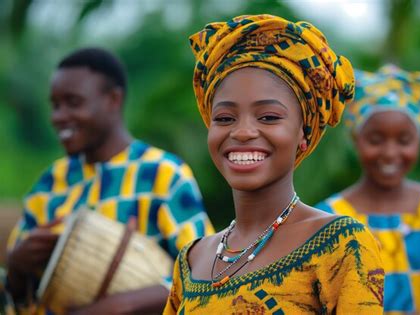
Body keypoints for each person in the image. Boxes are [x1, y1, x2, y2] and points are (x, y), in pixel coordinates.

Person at [164, 14, 385, 314]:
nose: (242, 132)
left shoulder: (340, 245)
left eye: (268, 117)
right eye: (225, 118)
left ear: (303, 135)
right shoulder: (192, 260)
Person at [6, 47, 214, 314]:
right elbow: (16, 299)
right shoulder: (49, 185)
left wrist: (118, 306)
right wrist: (16, 267)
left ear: (113, 100)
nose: (58, 117)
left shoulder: (162, 174)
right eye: (55, 105)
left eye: (73, 102)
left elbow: (204, 273)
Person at [316, 65, 420, 314]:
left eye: (404, 140)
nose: (390, 153)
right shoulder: (327, 222)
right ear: (356, 139)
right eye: (376, 140)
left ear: (419, 140)